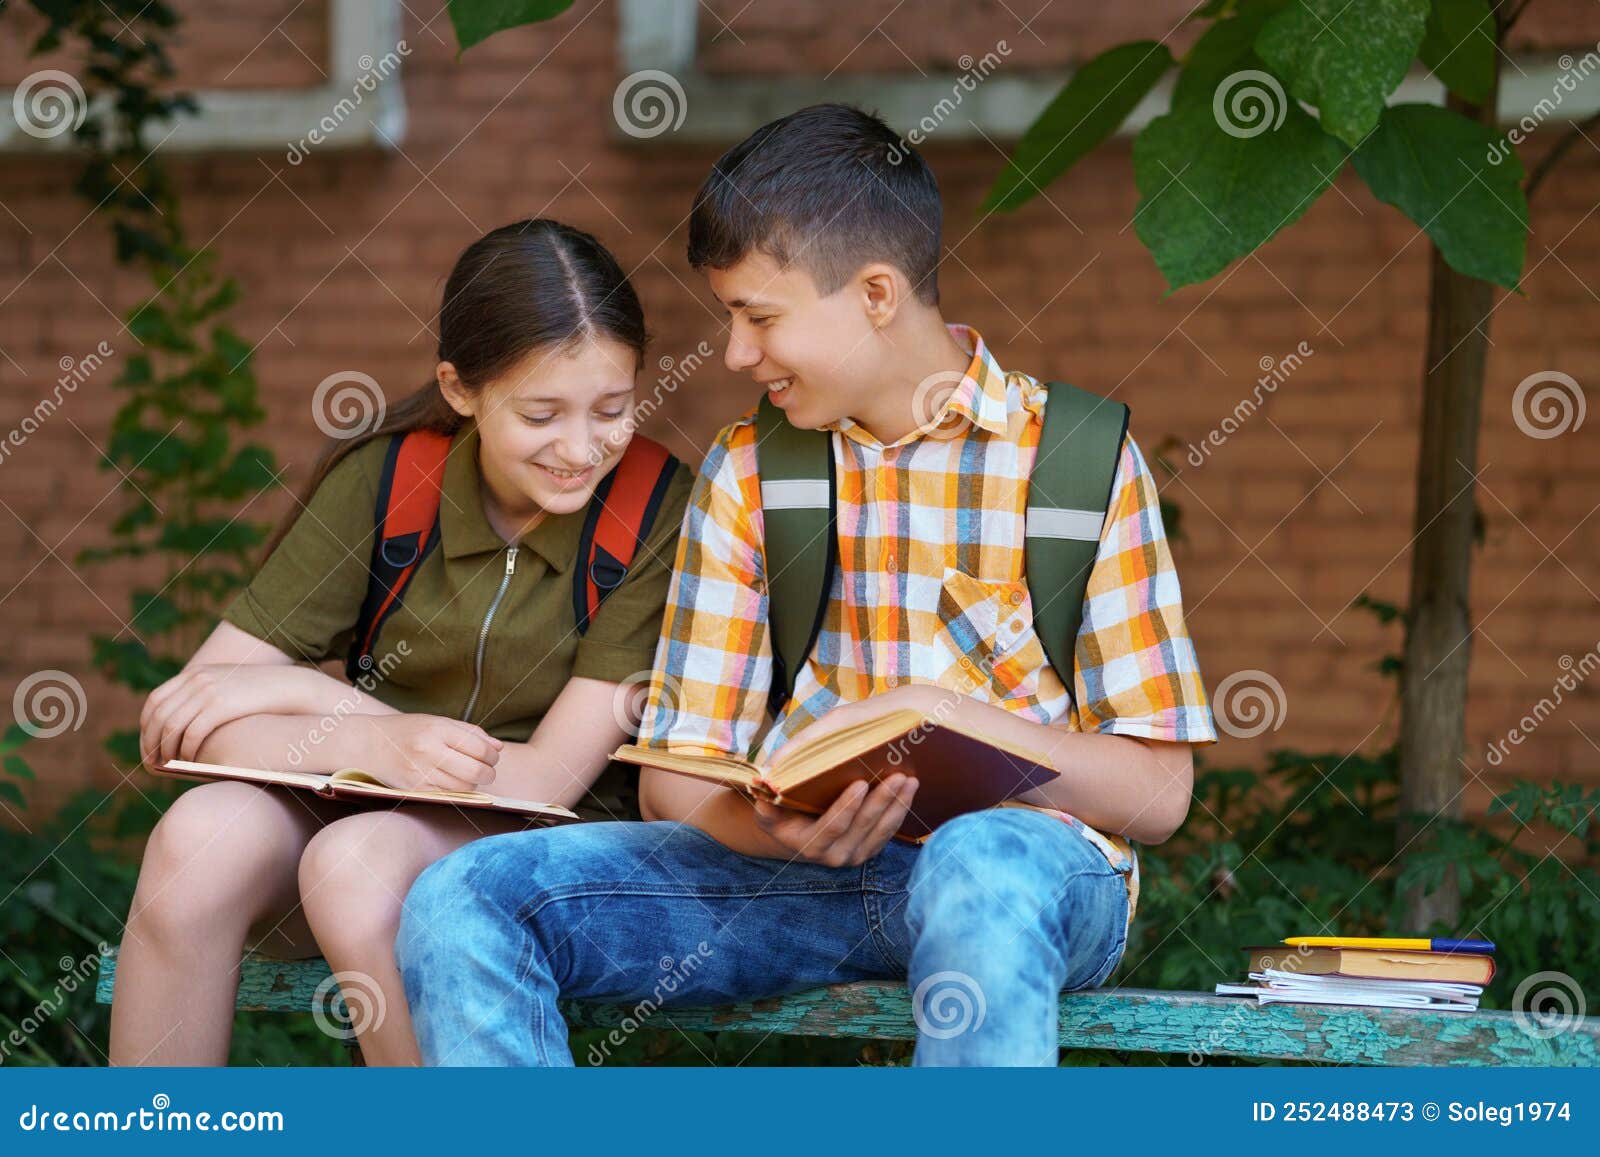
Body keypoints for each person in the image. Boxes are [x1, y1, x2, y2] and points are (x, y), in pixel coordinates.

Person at [398, 106, 1217, 1066]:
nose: (737, 352)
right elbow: (674, 778)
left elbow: (1160, 793)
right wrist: (772, 824)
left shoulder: (1079, 460)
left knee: (976, 858)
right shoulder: (750, 471)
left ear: (874, 292)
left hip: (1030, 877)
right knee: (467, 895)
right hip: (798, 881)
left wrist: (934, 712)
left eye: (759, 315)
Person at [109, 219, 692, 1066]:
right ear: (459, 389)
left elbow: (540, 780)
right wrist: (370, 733)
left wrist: (315, 698)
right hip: (367, 785)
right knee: (196, 839)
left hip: (551, 828)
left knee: (358, 862)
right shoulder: (391, 482)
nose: (580, 449)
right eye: (540, 413)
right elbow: (190, 723)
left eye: (612, 409)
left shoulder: (657, 511)